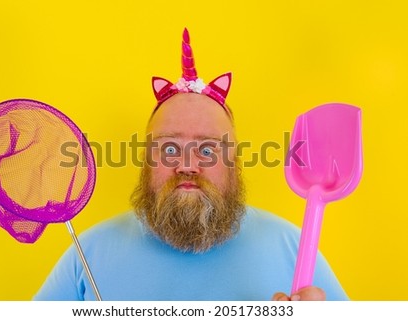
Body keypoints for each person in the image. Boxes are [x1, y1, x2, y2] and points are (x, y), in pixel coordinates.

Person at [33, 29, 348, 301]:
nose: (187, 165)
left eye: (208, 150)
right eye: (169, 148)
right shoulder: (87, 255)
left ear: (234, 164)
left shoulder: (295, 250)